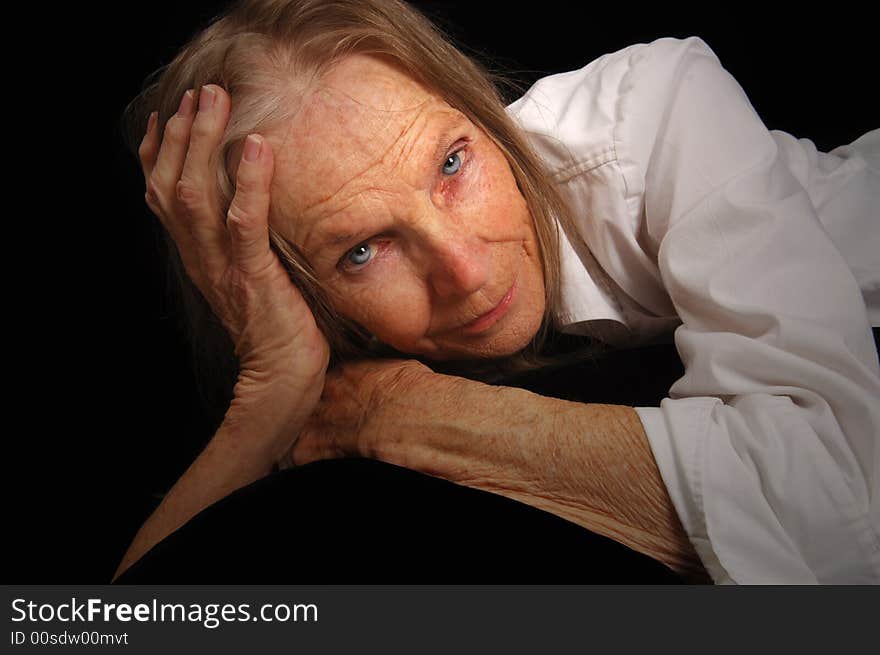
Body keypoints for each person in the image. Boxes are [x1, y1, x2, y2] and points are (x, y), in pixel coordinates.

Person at [115, 0, 880, 584]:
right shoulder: (329, 338)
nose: (467, 271)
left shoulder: (661, 107)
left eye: (452, 164)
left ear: (479, 111)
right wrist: (273, 387)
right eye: (361, 250)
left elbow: (838, 517)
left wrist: (411, 412)